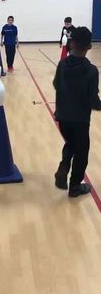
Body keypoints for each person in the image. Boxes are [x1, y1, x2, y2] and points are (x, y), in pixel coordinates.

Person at [53, 27, 101, 197]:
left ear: (71, 43)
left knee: (70, 143)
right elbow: (92, 99)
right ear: (89, 47)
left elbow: (55, 85)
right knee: (81, 152)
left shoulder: (62, 64)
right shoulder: (91, 70)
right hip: (80, 119)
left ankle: (63, 167)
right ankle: (74, 186)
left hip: (62, 116)